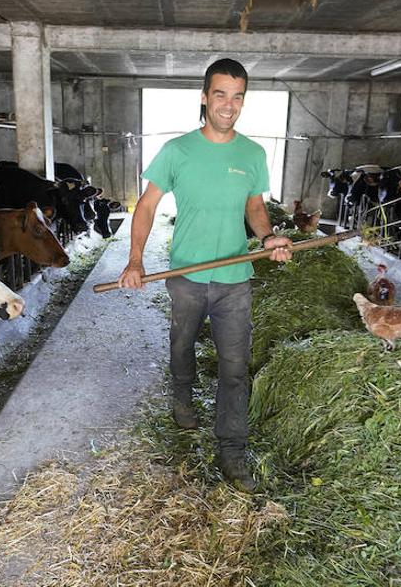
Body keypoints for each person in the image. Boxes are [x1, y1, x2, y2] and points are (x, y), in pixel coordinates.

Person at [118, 58, 293, 491]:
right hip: (187, 275)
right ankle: (182, 398)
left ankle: (232, 450)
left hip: (235, 277)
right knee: (182, 346)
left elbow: (254, 206)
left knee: (235, 367)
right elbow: (146, 205)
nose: (228, 105)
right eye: (220, 95)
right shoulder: (178, 151)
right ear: (204, 97)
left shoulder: (252, 154)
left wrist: (268, 236)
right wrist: (136, 260)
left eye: (237, 97)